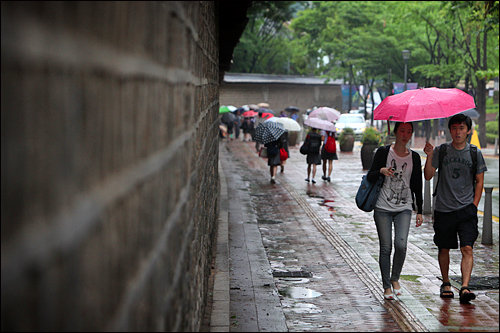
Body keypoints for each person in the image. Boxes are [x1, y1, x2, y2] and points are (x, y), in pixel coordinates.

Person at [423, 114, 487, 304]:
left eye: (461, 128)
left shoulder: (475, 153)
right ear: (449, 130)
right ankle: (446, 283)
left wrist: (473, 206)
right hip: (444, 208)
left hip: (466, 210)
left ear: (468, 130)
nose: (458, 132)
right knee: (444, 248)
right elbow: (427, 176)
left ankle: (465, 287)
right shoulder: (441, 151)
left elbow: (479, 181)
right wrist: (429, 157)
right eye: (454, 128)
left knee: (467, 247)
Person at [367, 122, 423, 300]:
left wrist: (419, 209)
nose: (405, 135)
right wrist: (381, 171)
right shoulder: (384, 152)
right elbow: (370, 175)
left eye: (409, 131)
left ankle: (395, 278)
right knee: (386, 247)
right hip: (383, 206)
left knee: (401, 245)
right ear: (395, 132)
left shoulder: (414, 157)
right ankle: (386, 286)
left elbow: (417, 185)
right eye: (402, 131)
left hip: (404, 207)